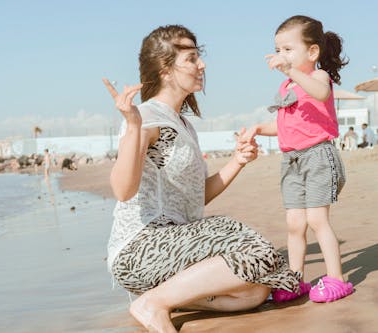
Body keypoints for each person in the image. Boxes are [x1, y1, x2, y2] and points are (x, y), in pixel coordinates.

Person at [102, 25, 299, 333]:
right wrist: (132, 126)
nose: (202, 65)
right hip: (141, 247)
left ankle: (162, 295)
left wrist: (238, 161)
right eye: (191, 58)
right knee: (256, 250)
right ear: (166, 70)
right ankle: (151, 305)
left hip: (177, 245)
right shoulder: (148, 117)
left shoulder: (183, 124)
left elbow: (197, 197)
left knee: (255, 291)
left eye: (199, 57)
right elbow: (122, 190)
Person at [242, 15, 353, 303]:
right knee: (294, 223)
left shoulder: (317, 77)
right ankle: (294, 279)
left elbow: (321, 93)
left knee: (317, 219)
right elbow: (283, 126)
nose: (281, 56)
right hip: (291, 161)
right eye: (278, 50)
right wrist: (256, 128)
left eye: (288, 50)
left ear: (312, 52)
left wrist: (291, 70)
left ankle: (337, 279)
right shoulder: (286, 88)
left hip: (318, 157)